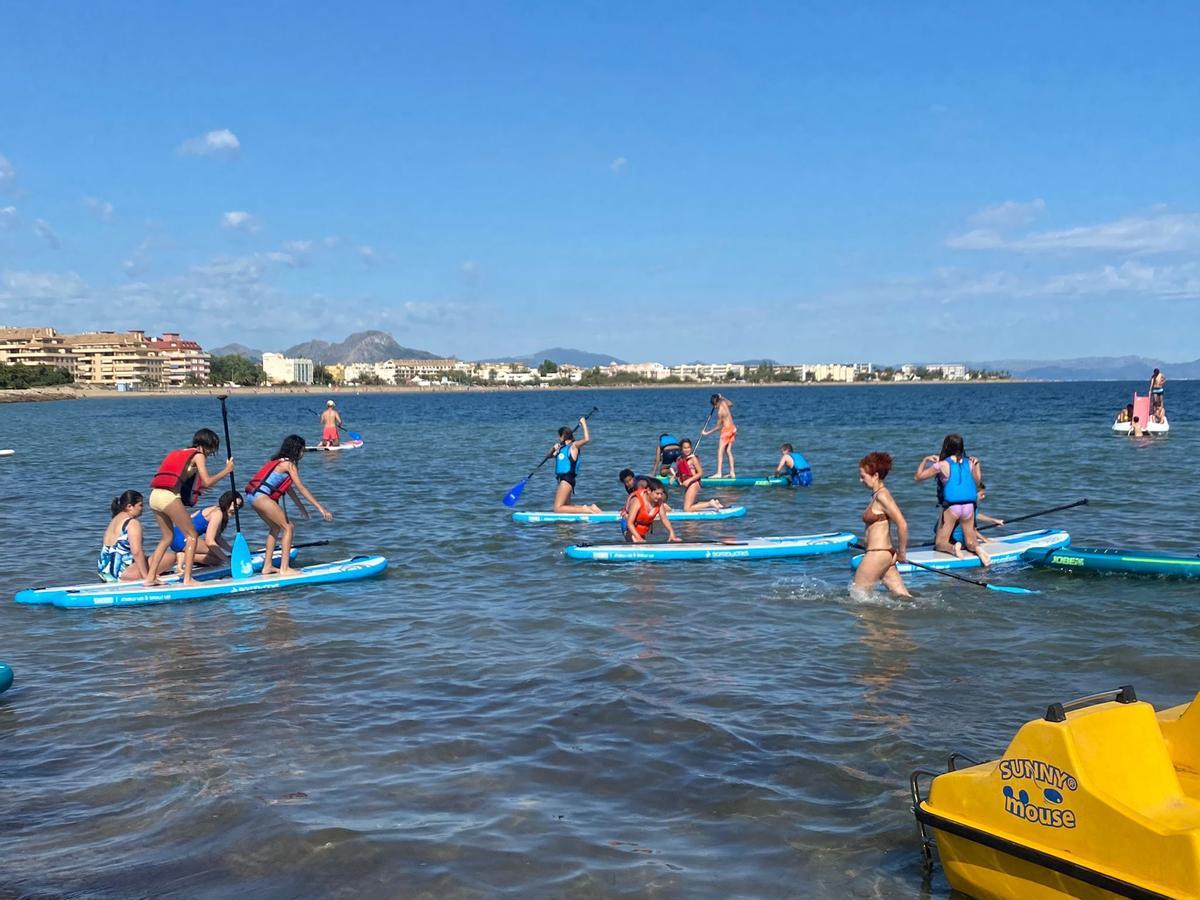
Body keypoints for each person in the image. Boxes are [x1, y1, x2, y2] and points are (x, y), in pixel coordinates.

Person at [144, 428, 234, 587]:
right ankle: (188, 579)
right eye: (212, 449)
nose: (210, 453)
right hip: (168, 497)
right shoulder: (198, 455)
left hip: (154, 496)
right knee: (192, 535)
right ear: (206, 445)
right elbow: (207, 481)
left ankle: (150, 578)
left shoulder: (179, 452)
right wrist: (226, 471)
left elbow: (183, 479)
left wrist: (198, 489)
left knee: (167, 538)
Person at [245, 435, 333, 576]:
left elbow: (288, 489)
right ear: (296, 450)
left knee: (275, 527)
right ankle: (285, 568)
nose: (303, 453)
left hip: (252, 496)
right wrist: (320, 508)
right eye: (302, 450)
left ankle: (267, 567)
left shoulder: (278, 462)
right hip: (261, 496)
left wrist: (301, 507)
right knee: (289, 527)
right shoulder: (289, 465)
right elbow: (301, 488)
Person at [915, 433, 990, 566]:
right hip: (969, 507)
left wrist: (925, 460)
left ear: (946, 447)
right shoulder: (970, 463)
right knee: (971, 542)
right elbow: (978, 482)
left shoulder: (942, 465)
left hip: (952, 508)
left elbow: (918, 477)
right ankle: (978, 549)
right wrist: (977, 465)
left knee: (940, 543)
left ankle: (953, 548)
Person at [852, 452, 910, 597]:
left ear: (876, 475)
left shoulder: (882, 495)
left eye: (863, 476)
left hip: (878, 554)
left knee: (856, 595)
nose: (860, 480)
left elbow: (902, 524)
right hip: (884, 554)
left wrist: (902, 553)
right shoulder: (876, 495)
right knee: (904, 598)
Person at [99, 490, 175, 583]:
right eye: (140, 505)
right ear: (129, 506)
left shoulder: (113, 521)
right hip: (121, 573)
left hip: (104, 572)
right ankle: (146, 575)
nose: (143, 508)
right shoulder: (132, 523)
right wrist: (147, 577)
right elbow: (137, 552)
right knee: (170, 557)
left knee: (150, 559)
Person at [168, 490, 243, 567]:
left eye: (238, 507)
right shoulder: (218, 514)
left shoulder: (214, 509)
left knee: (218, 555)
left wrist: (233, 551)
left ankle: (187, 557)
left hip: (175, 536)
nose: (236, 509)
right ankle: (183, 556)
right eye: (235, 505)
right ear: (227, 502)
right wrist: (228, 561)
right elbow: (210, 542)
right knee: (217, 558)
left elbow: (217, 538)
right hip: (182, 538)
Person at [552, 418, 601, 514]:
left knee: (558, 508)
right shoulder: (561, 448)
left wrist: (583, 424)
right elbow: (550, 456)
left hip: (566, 480)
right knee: (566, 507)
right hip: (565, 480)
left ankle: (585, 510)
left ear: (562, 436)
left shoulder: (574, 446)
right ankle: (591, 507)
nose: (558, 438)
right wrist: (554, 448)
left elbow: (587, 439)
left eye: (559, 436)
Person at [623, 477, 681, 544]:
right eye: (657, 493)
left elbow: (664, 519)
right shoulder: (638, 501)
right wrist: (639, 538)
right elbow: (630, 523)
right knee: (638, 545)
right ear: (648, 491)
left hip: (642, 527)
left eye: (661, 494)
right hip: (628, 526)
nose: (659, 496)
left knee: (643, 544)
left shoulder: (659, 501)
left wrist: (672, 533)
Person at [674, 438, 723, 511]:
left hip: (693, 483)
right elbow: (681, 472)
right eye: (685, 448)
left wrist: (689, 481)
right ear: (681, 449)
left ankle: (709, 504)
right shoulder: (681, 459)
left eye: (688, 447)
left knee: (687, 509)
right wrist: (675, 477)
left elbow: (700, 473)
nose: (687, 449)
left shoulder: (693, 459)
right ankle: (715, 503)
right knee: (692, 504)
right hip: (689, 485)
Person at [701, 393, 737, 478]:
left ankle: (719, 473)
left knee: (720, 451)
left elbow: (718, 426)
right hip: (733, 428)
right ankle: (732, 472)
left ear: (716, 403)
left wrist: (707, 433)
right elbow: (731, 404)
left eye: (714, 405)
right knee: (728, 451)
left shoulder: (720, 412)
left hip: (726, 431)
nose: (714, 407)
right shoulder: (724, 403)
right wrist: (722, 397)